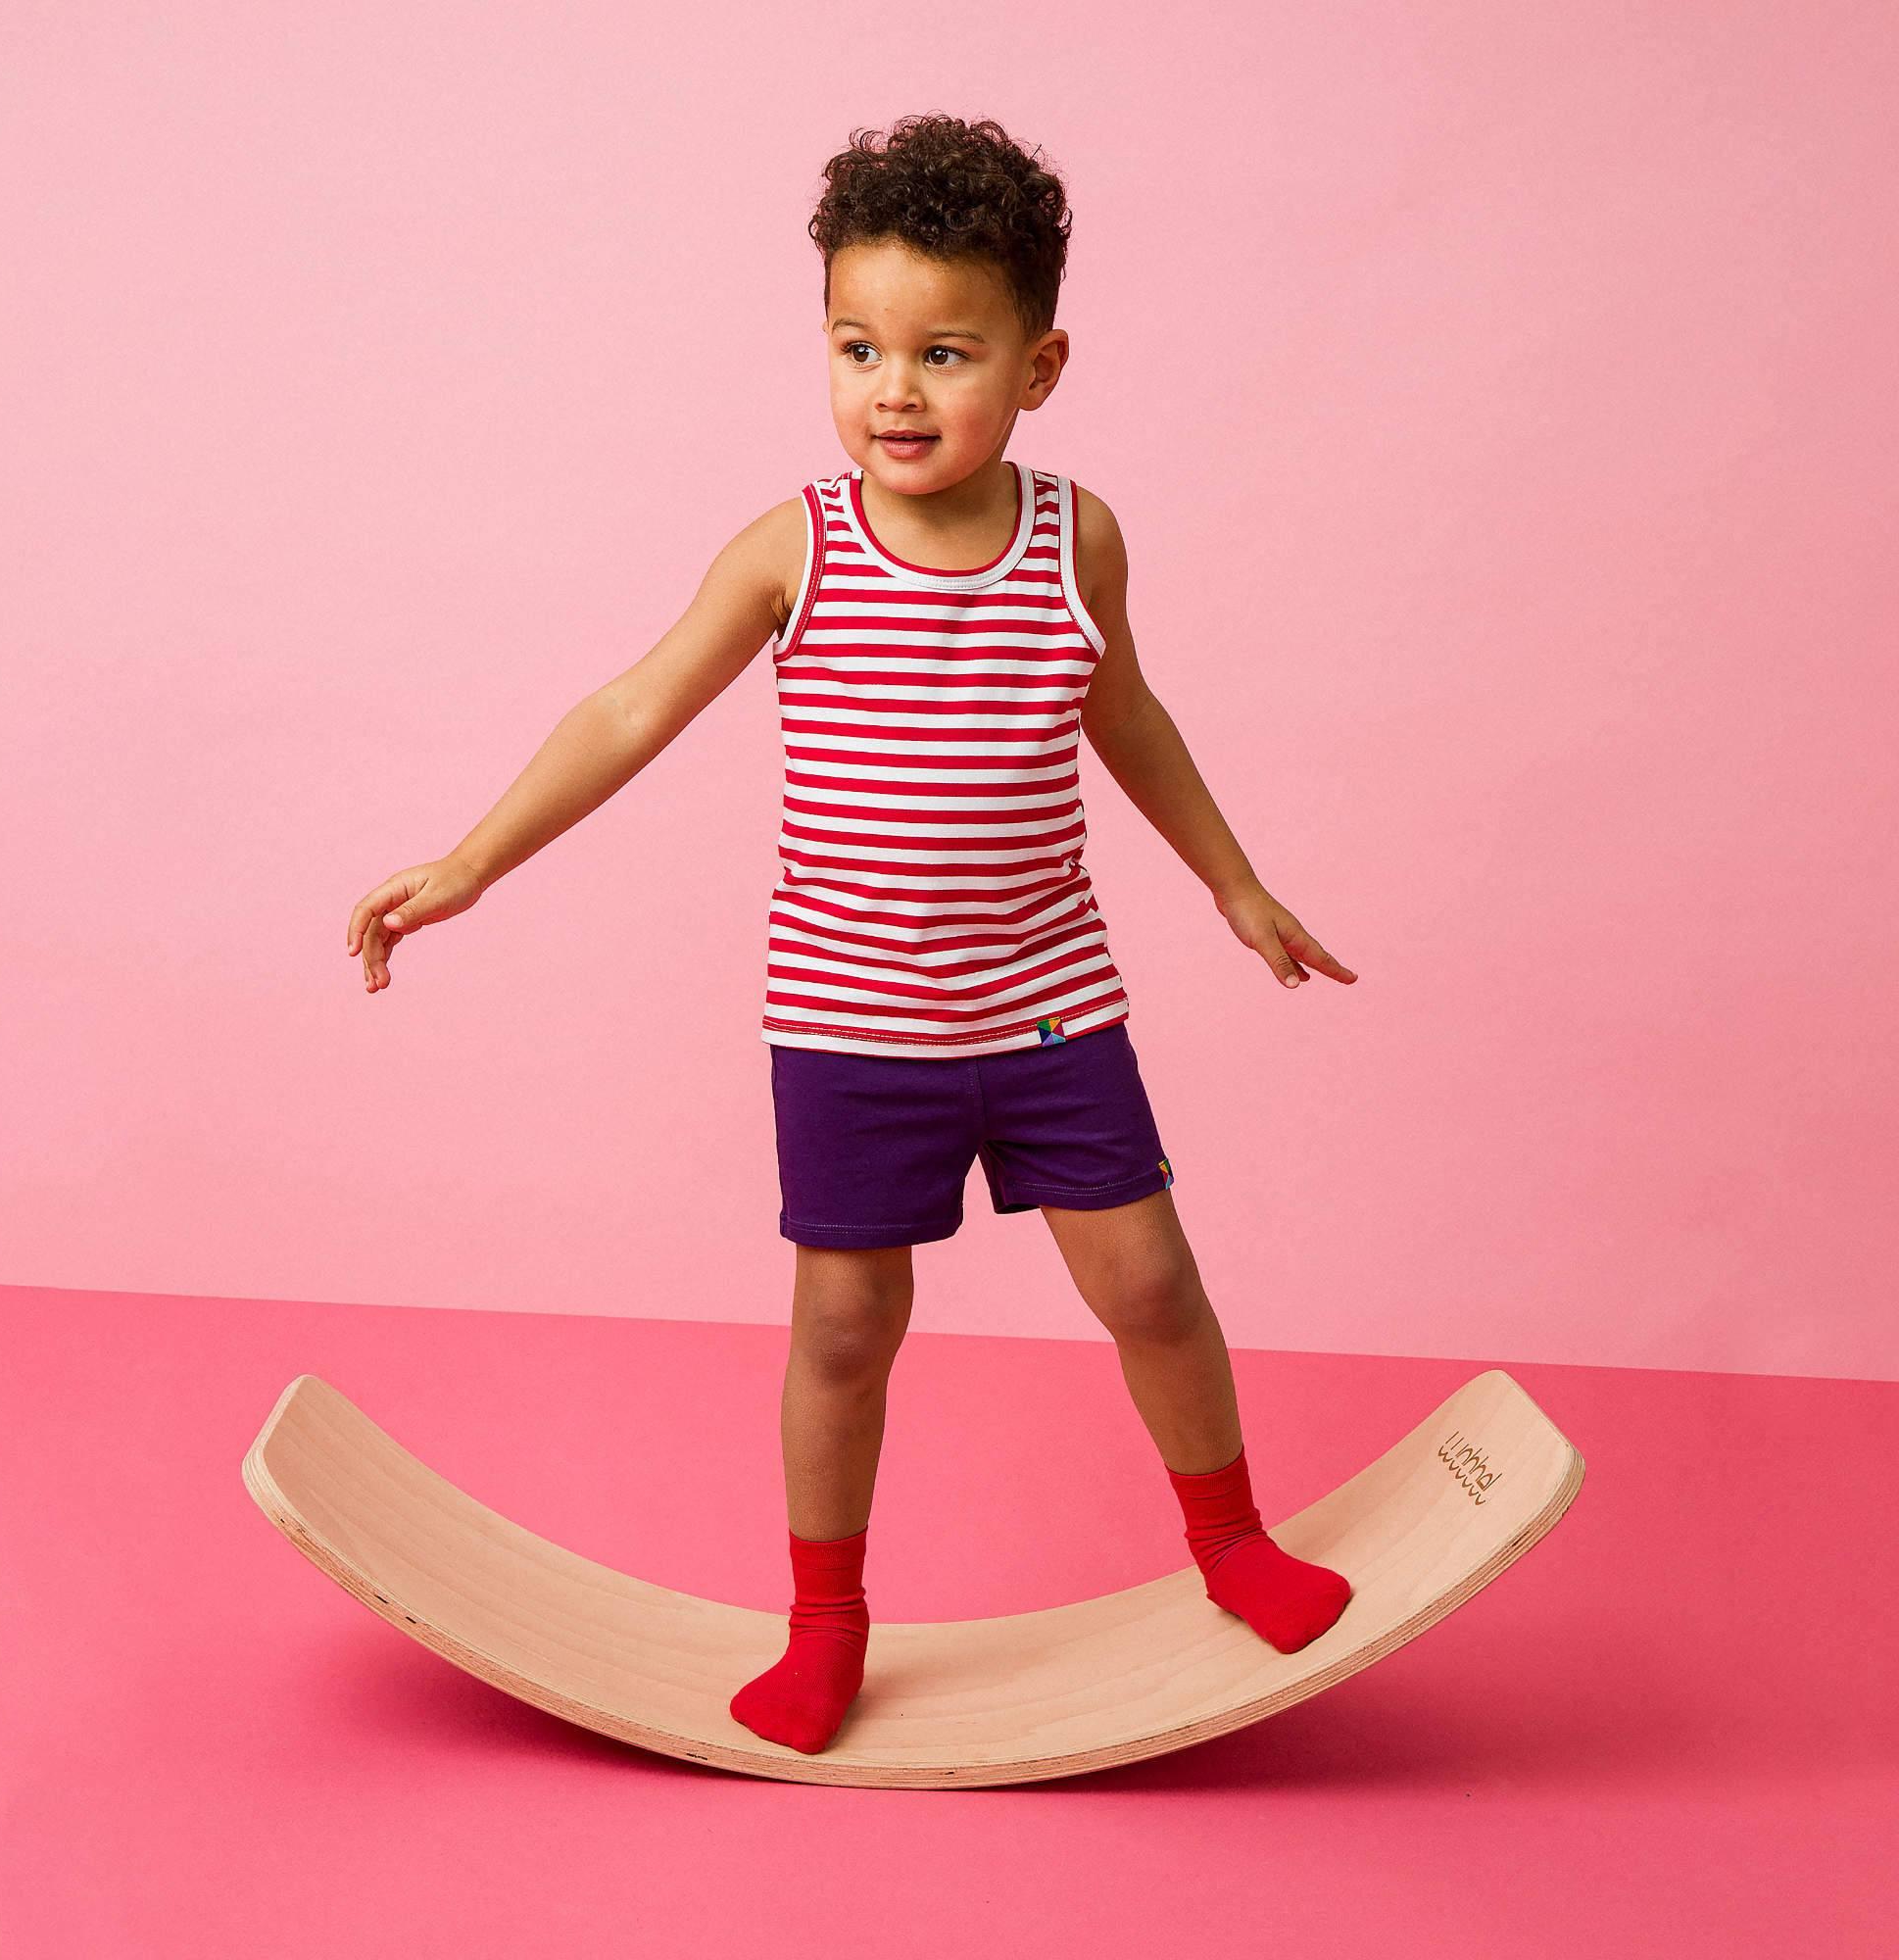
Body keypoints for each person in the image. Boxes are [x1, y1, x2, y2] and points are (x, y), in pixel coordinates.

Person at [346, 114, 1358, 1758]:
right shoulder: (796, 545)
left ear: (1039, 366)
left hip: (1048, 1008)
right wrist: (472, 863)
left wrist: (1235, 886)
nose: (894, 388)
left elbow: (1133, 720)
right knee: (842, 1328)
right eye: (857, 345)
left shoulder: (1075, 535)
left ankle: (1231, 1540)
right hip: (851, 1028)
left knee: (1155, 1286)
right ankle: (828, 1626)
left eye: (944, 352)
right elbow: (625, 712)